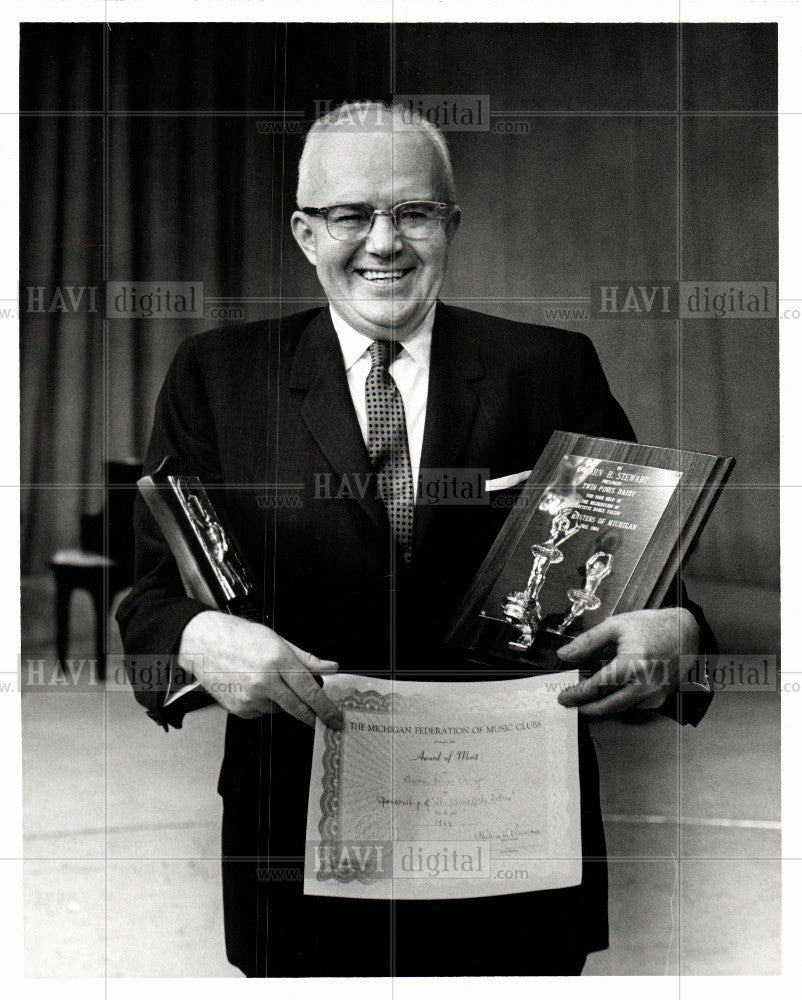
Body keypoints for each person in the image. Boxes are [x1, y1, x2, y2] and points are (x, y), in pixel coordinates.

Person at [116, 101, 713, 978]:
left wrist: (680, 635)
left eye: (414, 213)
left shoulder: (552, 368)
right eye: (351, 214)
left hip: (516, 849)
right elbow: (150, 597)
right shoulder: (216, 377)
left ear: (451, 225)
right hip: (299, 850)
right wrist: (198, 640)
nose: (384, 242)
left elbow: (646, 581)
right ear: (304, 232)